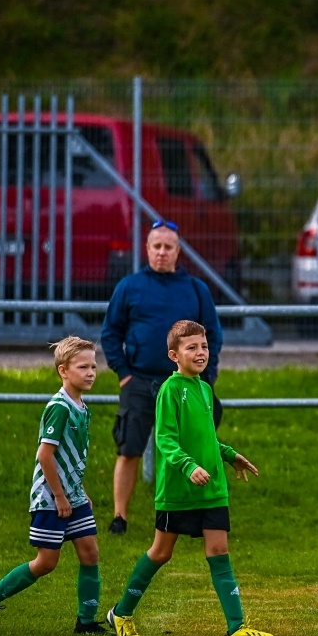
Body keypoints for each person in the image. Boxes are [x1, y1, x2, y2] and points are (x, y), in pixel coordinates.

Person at [106, 320, 274, 636]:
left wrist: (228, 455)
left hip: (212, 489)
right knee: (160, 552)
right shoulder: (170, 390)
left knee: (219, 550)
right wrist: (188, 467)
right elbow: (166, 440)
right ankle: (121, 612)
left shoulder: (205, 388)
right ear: (174, 355)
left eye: (204, 347)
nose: (200, 353)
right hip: (179, 491)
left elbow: (206, 438)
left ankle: (236, 628)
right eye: (191, 347)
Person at [0, 336, 106, 634]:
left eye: (94, 366)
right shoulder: (59, 407)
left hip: (72, 495)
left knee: (90, 553)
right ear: (63, 370)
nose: (90, 372)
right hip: (51, 497)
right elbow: (45, 455)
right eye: (82, 366)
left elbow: (70, 457)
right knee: (47, 562)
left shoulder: (83, 407)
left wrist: (79, 491)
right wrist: (60, 496)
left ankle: (85, 622)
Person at [100, 221, 222, 535]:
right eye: (157, 246)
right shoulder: (129, 287)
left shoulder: (196, 289)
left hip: (184, 384)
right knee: (129, 449)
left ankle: (192, 515)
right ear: (147, 249)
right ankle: (119, 517)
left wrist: (204, 378)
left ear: (178, 251)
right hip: (139, 381)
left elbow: (214, 335)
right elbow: (110, 333)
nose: (162, 253)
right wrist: (124, 373)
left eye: (169, 247)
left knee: (193, 448)